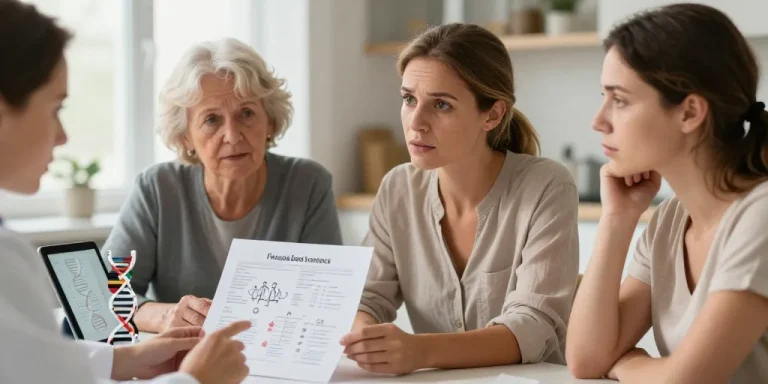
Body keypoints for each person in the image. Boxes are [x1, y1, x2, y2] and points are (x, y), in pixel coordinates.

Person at [0, 1, 251, 383]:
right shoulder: (6, 260)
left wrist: (122, 360)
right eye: (55, 108)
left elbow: (31, 362)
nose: (63, 134)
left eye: (247, 113)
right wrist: (196, 380)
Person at [339, 23, 580, 375]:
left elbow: (533, 327)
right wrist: (364, 337)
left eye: (441, 105)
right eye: (409, 99)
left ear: (493, 114)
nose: (416, 123)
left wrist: (418, 351)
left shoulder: (546, 186)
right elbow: (368, 297)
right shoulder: (398, 188)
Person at [566, 4, 768, 383]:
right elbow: (586, 360)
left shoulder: (760, 217)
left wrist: (628, 363)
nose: (599, 120)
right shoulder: (671, 220)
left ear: (690, 113)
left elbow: (685, 381)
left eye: (620, 100)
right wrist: (618, 218)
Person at [102, 38, 343, 333]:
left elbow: (328, 301)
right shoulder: (157, 188)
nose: (232, 135)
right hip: (184, 365)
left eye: (247, 114)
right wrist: (166, 317)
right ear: (185, 136)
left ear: (269, 121)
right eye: (212, 119)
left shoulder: (308, 184)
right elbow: (108, 291)